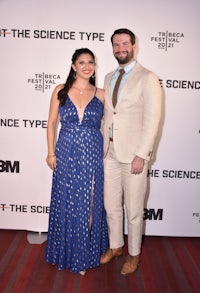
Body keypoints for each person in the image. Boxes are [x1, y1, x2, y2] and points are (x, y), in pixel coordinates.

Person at [100, 28, 162, 275]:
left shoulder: (147, 77)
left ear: (134, 45)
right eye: (116, 44)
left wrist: (142, 154)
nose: (120, 48)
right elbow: (109, 114)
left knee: (134, 210)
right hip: (110, 153)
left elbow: (152, 120)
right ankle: (116, 246)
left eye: (124, 43)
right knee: (110, 205)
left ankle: (134, 255)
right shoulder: (107, 76)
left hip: (134, 155)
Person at [45, 48, 108, 275]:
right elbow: (51, 123)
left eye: (90, 62)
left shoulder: (101, 93)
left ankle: (83, 253)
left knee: (90, 202)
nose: (86, 66)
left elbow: (112, 124)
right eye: (81, 62)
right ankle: (67, 251)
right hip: (66, 151)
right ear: (73, 66)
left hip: (92, 153)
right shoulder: (61, 90)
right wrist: (51, 153)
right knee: (67, 203)